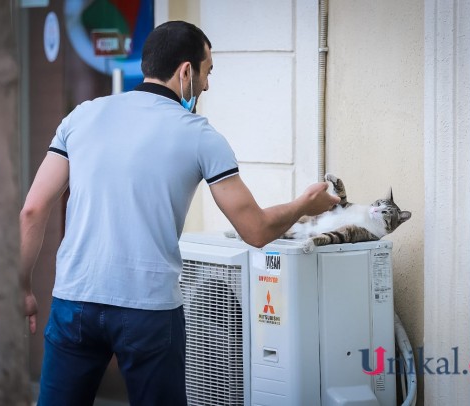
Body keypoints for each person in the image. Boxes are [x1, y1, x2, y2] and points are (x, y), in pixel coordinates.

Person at [20, 20, 339, 406]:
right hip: (148, 311)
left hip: (75, 302)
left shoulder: (81, 117)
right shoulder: (200, 135)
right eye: (207, 72)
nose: (207, 85)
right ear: (186, 70)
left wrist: (22, 287)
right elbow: (255, 230)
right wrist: (306, 205)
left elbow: (33, 210)